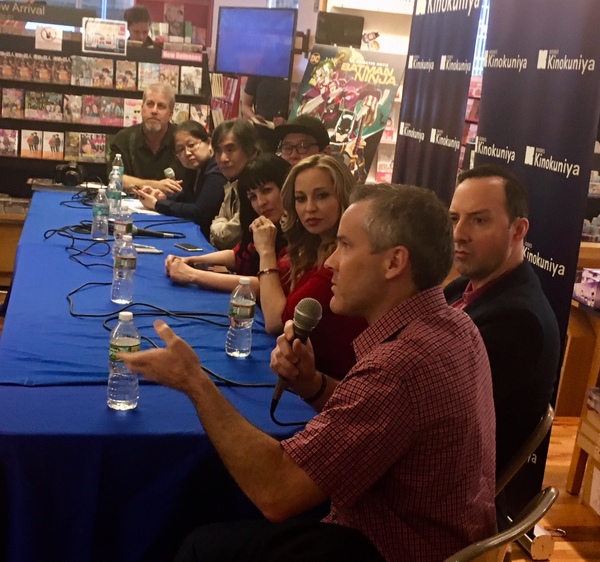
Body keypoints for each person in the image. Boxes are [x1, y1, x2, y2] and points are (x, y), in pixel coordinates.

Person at [121, 183, 497, 562]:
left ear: (394, 263)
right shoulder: (456, 324)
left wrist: (194, 382)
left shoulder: (398, 367)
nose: (330, 262)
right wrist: (313, 385)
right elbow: (392, 424)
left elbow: (277, 491)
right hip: (438, 538)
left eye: (345, 246)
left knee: (200, 542)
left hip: (386, 546)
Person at [444, 164, 560, 492]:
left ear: (518, 229)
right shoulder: (464, 286)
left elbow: (425, 412)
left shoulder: (520, 322)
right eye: (454, 218)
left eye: (479, 220)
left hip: (440, 500)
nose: (459, 234)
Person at [251, 154, 366, 379]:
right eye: (301, 199)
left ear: (344, 197)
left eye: (321, 196)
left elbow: (275, 320)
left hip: (332, 384)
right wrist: (192, 274)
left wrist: (265, 251)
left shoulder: (340, 259)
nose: (309, 208)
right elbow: (267, 286)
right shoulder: (307, 246)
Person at [165, 153, 290, 294]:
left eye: (266, 190)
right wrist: (189, 260)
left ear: (286, 187)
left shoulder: (297, 236)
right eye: (253, 197)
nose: (261, 203)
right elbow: (238, 255)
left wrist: (193, 275)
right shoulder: (266, 225)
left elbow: (266, 286)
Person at [134, 120, 227, 240]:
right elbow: (187, 198)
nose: (187, 153)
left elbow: (199, 212)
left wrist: (157, 205)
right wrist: (163, 197)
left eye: (192, 145)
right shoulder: (194, 170)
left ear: (209, 143)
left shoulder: (217, 171)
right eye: (180, 149)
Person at [108, 83, 185, 195]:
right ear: (142, 108)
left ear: (170, 114)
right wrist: (157, 185)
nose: (154, 111)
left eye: (161, 106)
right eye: (150, 104)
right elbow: (115, 178)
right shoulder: (123, 138)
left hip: (171, 208)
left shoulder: (182, 140)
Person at [209, 119, 261, 250]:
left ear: (251, 151)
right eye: (218, 151)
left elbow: (229, 236)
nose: (223, 159)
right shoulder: (232, 181)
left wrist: (216, 226)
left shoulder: (256, 184)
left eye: (230, 149)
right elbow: (217, 233)